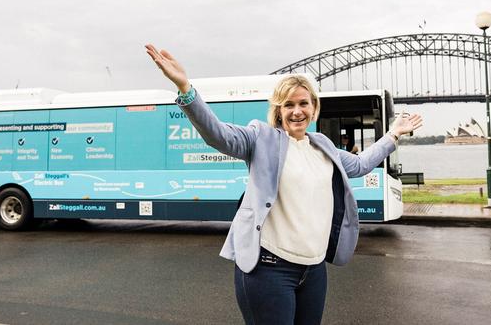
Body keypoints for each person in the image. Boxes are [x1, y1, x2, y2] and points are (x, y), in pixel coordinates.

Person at [145, 44, 423, 324]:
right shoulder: (261, 139)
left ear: (314, 108)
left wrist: (393, 135)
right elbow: (218, 135)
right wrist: (185, 88)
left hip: (314, 271)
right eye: (288, 104)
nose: (297, 111)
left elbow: (361, 164)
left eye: (304, 103)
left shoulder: (323, 146)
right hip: (269, 269)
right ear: (278, 111)